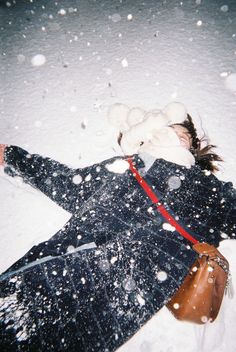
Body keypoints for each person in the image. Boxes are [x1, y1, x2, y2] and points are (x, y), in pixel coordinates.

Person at [0, 102, 235, 352]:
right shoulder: (124, 166)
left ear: (193, 148)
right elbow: (69, 183)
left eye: (183, 136)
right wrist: (13, 156)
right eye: (169, 129)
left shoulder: (206, 189)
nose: (174, 136)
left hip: (122, 295)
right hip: (59, 262)